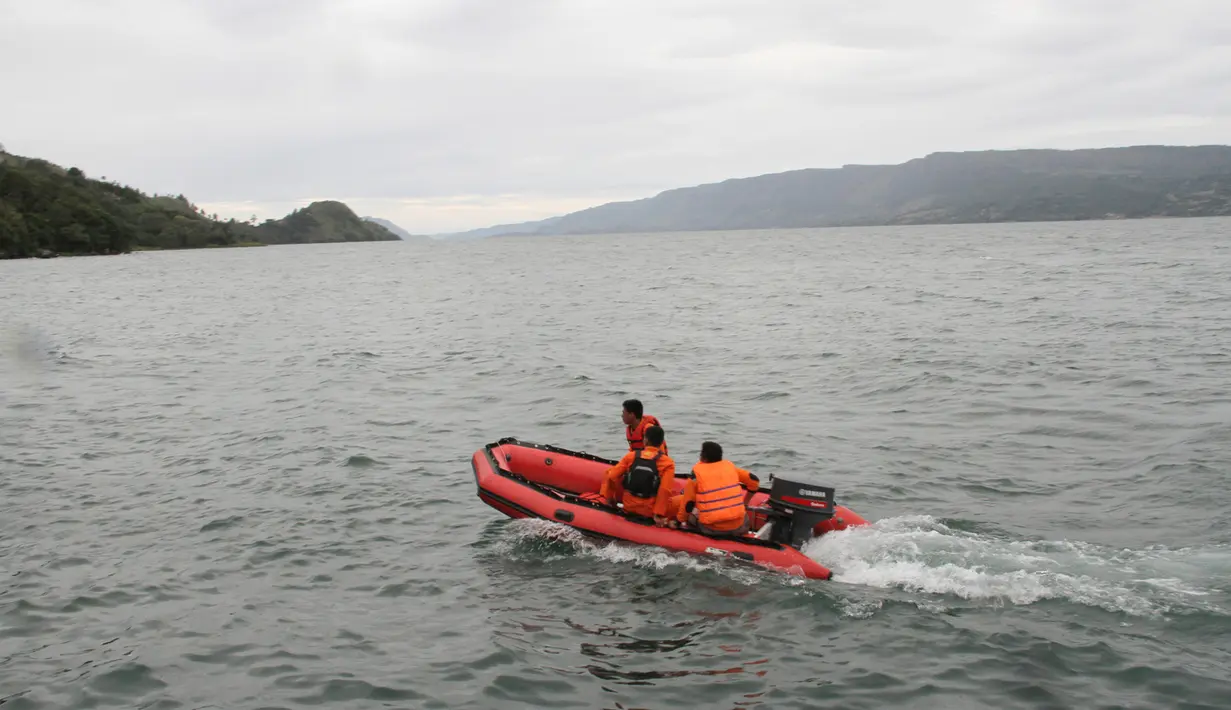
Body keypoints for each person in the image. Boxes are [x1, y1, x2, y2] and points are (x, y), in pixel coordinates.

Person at [672, 441, 760, 536]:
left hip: (713, 529)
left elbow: (688, 504)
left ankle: (692, 538)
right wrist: (745, 503)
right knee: (741, 515)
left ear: (702, 457)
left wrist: (678, 521)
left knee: (691, 514)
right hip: (740, 526)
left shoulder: (696, 475)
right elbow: (754, 481)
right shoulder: (730, 467)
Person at [600, 425, 676, 527]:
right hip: (649, 511)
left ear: (645, 440)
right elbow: (665, 490)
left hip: (629, 507)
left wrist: (610, 499)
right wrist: (658, 514)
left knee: (611, 472)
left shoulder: (631, 456)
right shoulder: (668, 463)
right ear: (661, 442)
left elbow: (611, 476)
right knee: (681, 500)